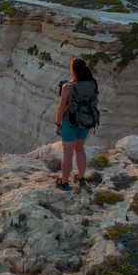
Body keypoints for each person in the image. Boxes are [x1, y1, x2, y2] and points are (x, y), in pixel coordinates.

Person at [54, 58, 99, 191]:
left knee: (67, 154)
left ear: (72, 70)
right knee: (79, 149)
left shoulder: (68, 87)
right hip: (85, 123)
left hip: (70, 123)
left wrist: (57, 124)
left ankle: (64, 182)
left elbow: (61, 108)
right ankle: (81, 178)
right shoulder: (93, 83)